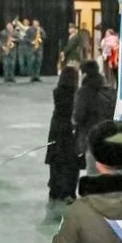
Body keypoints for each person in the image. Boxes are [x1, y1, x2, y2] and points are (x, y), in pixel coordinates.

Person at [45, 65, 82, 203]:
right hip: (70, 130)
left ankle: (55, 190)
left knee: (56, 160)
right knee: (71, 162)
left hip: (56, 128)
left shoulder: (57, 92)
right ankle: (69, 191)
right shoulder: (77, 94)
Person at [72, 61, 114, 169]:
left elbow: (78, 116)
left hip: (90, 138)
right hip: (108, 137)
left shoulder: (84, 92)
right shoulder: (109, 90)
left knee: (93, 174)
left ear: (84, 74)